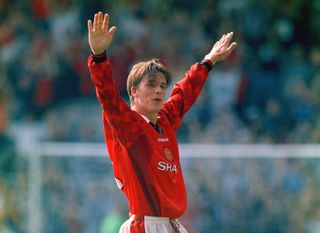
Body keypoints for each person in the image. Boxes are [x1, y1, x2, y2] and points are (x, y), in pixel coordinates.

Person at [87, 11, 237, 233]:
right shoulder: (128, 125)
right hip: (145, 226)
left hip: (171, 225)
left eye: (162, 85)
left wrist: (209, 61)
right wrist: (99, 57)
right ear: (133, 91)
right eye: (151, 84)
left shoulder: (164, 120)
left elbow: (183, 94)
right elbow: (107, 95)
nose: (158, 90)